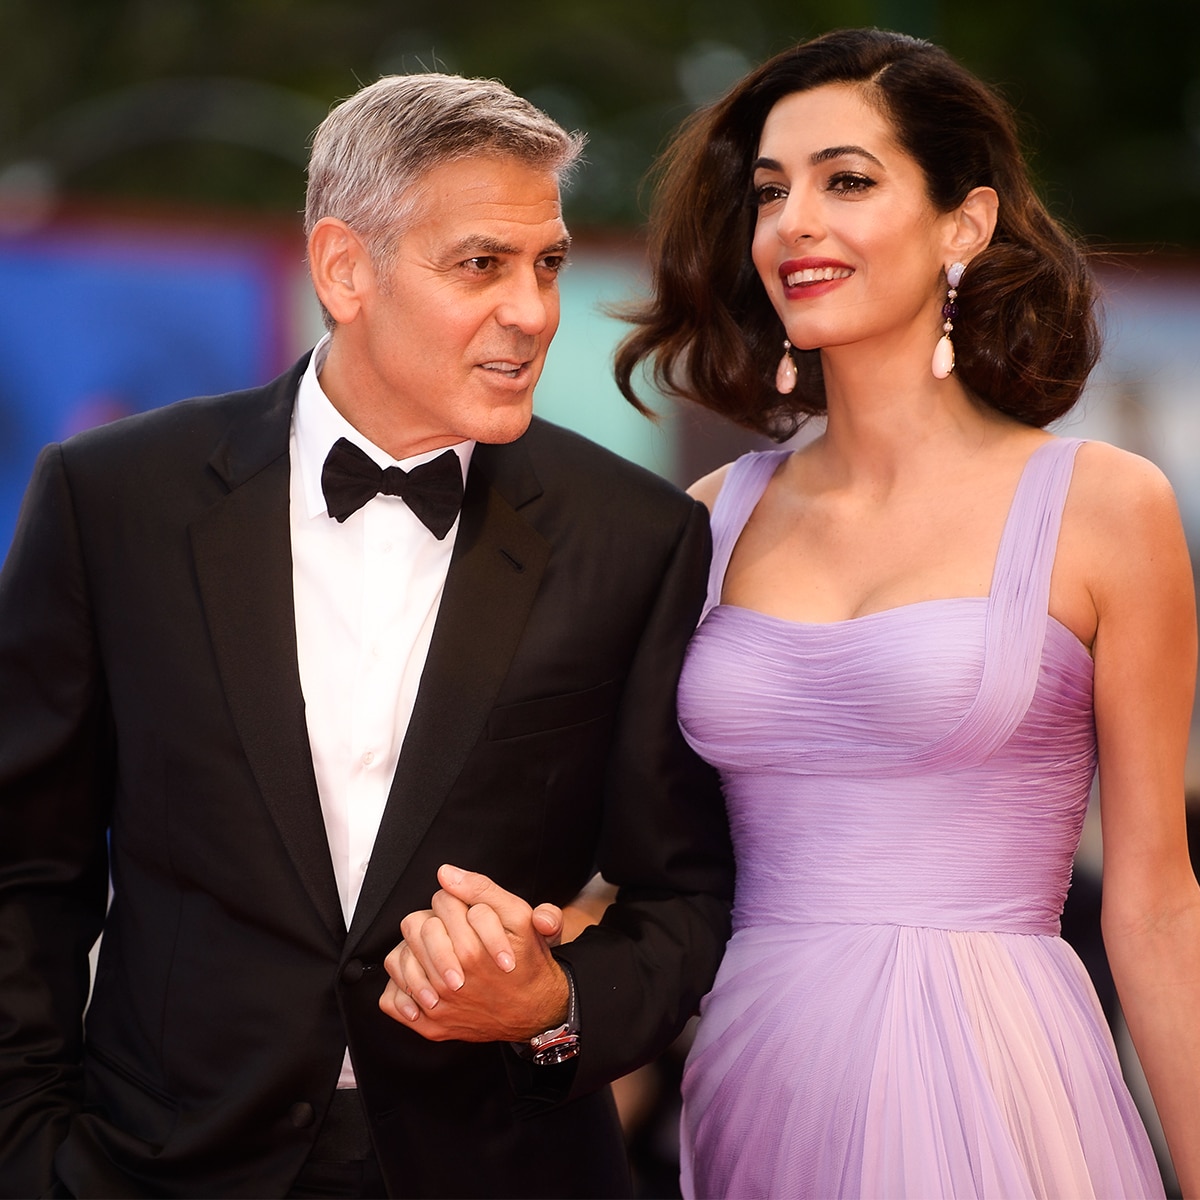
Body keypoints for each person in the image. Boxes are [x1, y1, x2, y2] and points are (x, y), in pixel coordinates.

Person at [0, 73, 734, 1199]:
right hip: (158, 1167)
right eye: (482, 264)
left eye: (548, 265)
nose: (534, 311)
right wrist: (30, 1146)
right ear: (346, 269)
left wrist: (554, 1008)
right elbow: (25, 865)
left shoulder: (636, 536)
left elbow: (684, 896)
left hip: (501, 1169)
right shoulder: (113, 500)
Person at [614, 27, 1200, 1200]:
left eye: (848, 180)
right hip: (754, 1077)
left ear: (963, 225)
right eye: (771, 193)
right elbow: (647, 877)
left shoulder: (1106, 507)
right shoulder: (709, 518)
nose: (794, 225)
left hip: (999, 1074)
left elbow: (1153, 904)